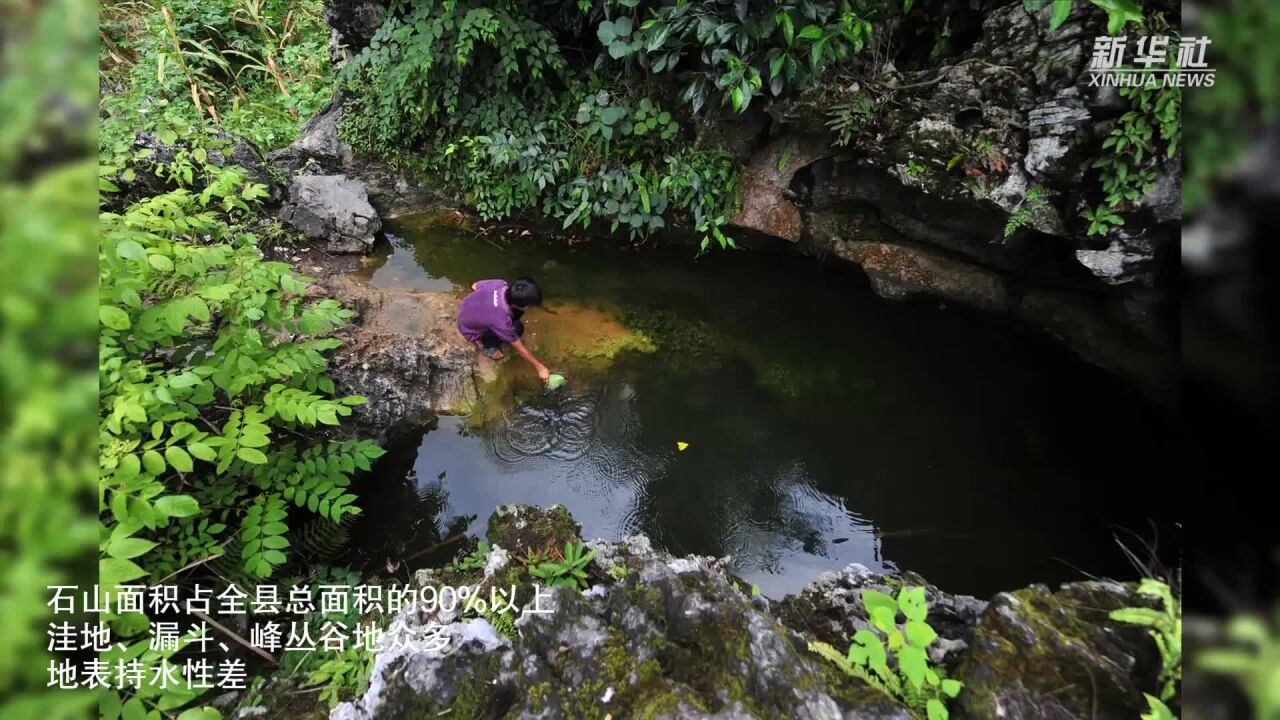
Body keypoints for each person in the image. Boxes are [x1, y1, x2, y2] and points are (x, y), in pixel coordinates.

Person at [456, 276, 551, 381]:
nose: (530, 308)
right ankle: (486, 346)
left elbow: (474, 286)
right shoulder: (500, 320)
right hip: (470, 329)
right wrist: (540, 367)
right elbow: (520, 348)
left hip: (465, 309)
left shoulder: (500, 284)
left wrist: (483, 305)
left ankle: (484, 324)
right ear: (516, 304)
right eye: (529, 306)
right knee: (518, 329)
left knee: (514, 318)